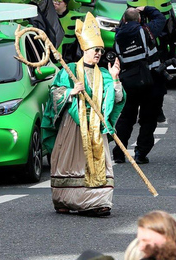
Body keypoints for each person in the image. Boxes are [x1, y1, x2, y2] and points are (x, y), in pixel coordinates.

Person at [40, 13, 124, 216]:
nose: (98, 54)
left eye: (101, 51)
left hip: (96, 125)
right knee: (70, 162)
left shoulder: (104, 74)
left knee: (100, 164)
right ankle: (65, 200)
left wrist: (114, 80)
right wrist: (71, 92)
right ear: (85, 49)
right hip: (73, 125)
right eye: (96, 50)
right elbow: (55, 94)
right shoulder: (68, 71)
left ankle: (99, 202)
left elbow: (118, 98)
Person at [112, 6, 166, 165]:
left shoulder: (118, 36)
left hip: (129, 82)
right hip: (152, 80)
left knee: (126, 119)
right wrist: (147, 8)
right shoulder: (147, 30)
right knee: (149, 119)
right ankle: (141, 153)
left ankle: (119, 154)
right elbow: (160, 18)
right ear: (140, 19)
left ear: (123, 20)